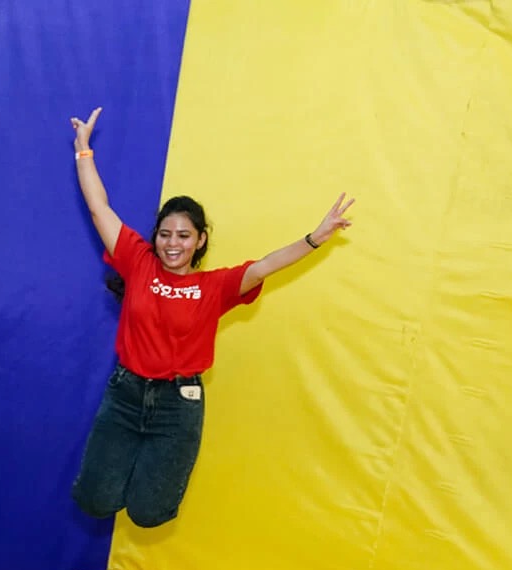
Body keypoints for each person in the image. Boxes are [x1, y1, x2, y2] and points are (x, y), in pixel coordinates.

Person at [68, 106, 354, 527]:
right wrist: (83, 150)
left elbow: (265, 266)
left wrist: (314, 239)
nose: (172, 243)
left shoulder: (213, 287)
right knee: (94, 501)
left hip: (177, 405)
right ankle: (119, 467)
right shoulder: (138, 261)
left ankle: (152, 479)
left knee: (149, 514)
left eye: (183, 236)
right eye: (165, 234)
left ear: (200, 240)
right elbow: (99, 209)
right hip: (126, 394)